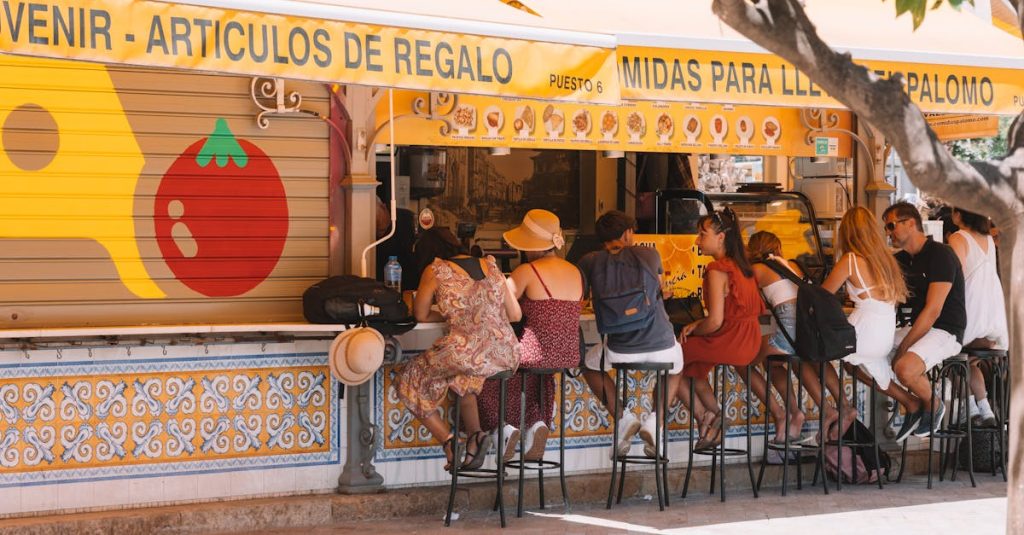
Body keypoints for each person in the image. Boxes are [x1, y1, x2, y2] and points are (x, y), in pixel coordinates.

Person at [394, 229, 522, 472]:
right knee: (462, 378)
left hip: (467, 351)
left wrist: (450, 314)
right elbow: (515, 315)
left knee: (407, 380)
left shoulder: (435, 270)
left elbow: (419, 314)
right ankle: (476, 437)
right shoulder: (492, 265)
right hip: (506, 352)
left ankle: (449, 441)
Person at [577, 210, 685, 458]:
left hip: (619, 351)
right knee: (676, 367)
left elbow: (580, 298)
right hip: (661, 344)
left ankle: (624, 418)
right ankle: (654, 422)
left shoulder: (590, 261)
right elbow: (658, 289)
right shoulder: (649, 254)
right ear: (627, 233)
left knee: (589, 365)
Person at [477, 210, 583, 461]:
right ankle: (537, 423)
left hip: (533, 353)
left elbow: (502, 306)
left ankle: (502, 428)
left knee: (482, 375)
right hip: (567, 354)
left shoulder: (528, 270)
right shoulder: (576, 271)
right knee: (536, 377)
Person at [818, 207, 910, 438]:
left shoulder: (850, 260)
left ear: (847, 232)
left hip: (863, 333)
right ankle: (912, 403)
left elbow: (822, 296)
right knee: (852, 365)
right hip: (883, 338)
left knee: (811, 355)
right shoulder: (887, 261)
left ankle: (842, 407)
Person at [677, 208, 764, 449]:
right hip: (749, 340)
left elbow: (715, 322)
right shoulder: (744, 267)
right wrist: (698, 324)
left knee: (671, 360)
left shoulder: (717, 270)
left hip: (730, 341)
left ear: (721, 237)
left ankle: (704, 416)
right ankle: (715, 416)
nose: (697, 240)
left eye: (702, 235)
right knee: (692, 367)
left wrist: (694, 329)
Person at [882, 202, 966, 439]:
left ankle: (934, 403)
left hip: (946, 330)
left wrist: (905, 347)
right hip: (917, 328)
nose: (888, 232)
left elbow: (933, 311)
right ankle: (911, 402)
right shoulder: (899, 261)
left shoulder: (941, 254)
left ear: (911, 223)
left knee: (904, 368)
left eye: (891, 225)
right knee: (856, 358)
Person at [746, 231, 811, 445]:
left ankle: (782, 413)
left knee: (745, 362)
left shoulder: (757, 270)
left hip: (788, 332)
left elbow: (749, 306)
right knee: (772, 365)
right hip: (804, 333)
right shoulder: (788, 265)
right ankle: (794, 413)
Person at [948, 207, 1007, 428]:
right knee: (969, 361)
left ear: (959, 214)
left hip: (971, 321)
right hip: (993, 325)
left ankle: (970, 409)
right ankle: (986, 410)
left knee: (950, 356)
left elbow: (956, 278)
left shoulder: (959, 237)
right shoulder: (988, 240)